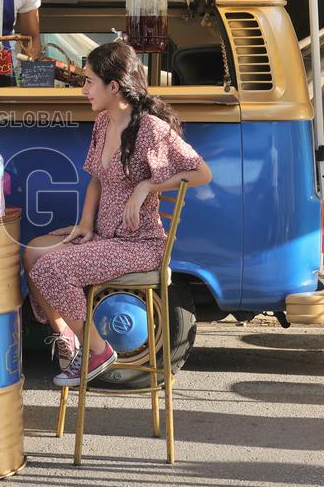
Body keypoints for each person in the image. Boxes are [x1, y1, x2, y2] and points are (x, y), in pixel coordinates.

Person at [22, 41, 212, 386]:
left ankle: (96, 351)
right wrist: (84, 223)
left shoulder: (151, 129)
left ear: (113, 86)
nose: (83, 90)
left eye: (89, 81)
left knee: (52, 267)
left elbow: (201, 173)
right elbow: (96, 177)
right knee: (34, 253)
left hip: (138, 244)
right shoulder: (103, 122)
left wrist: (147, 188)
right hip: (105, 236)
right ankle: (69, 340)